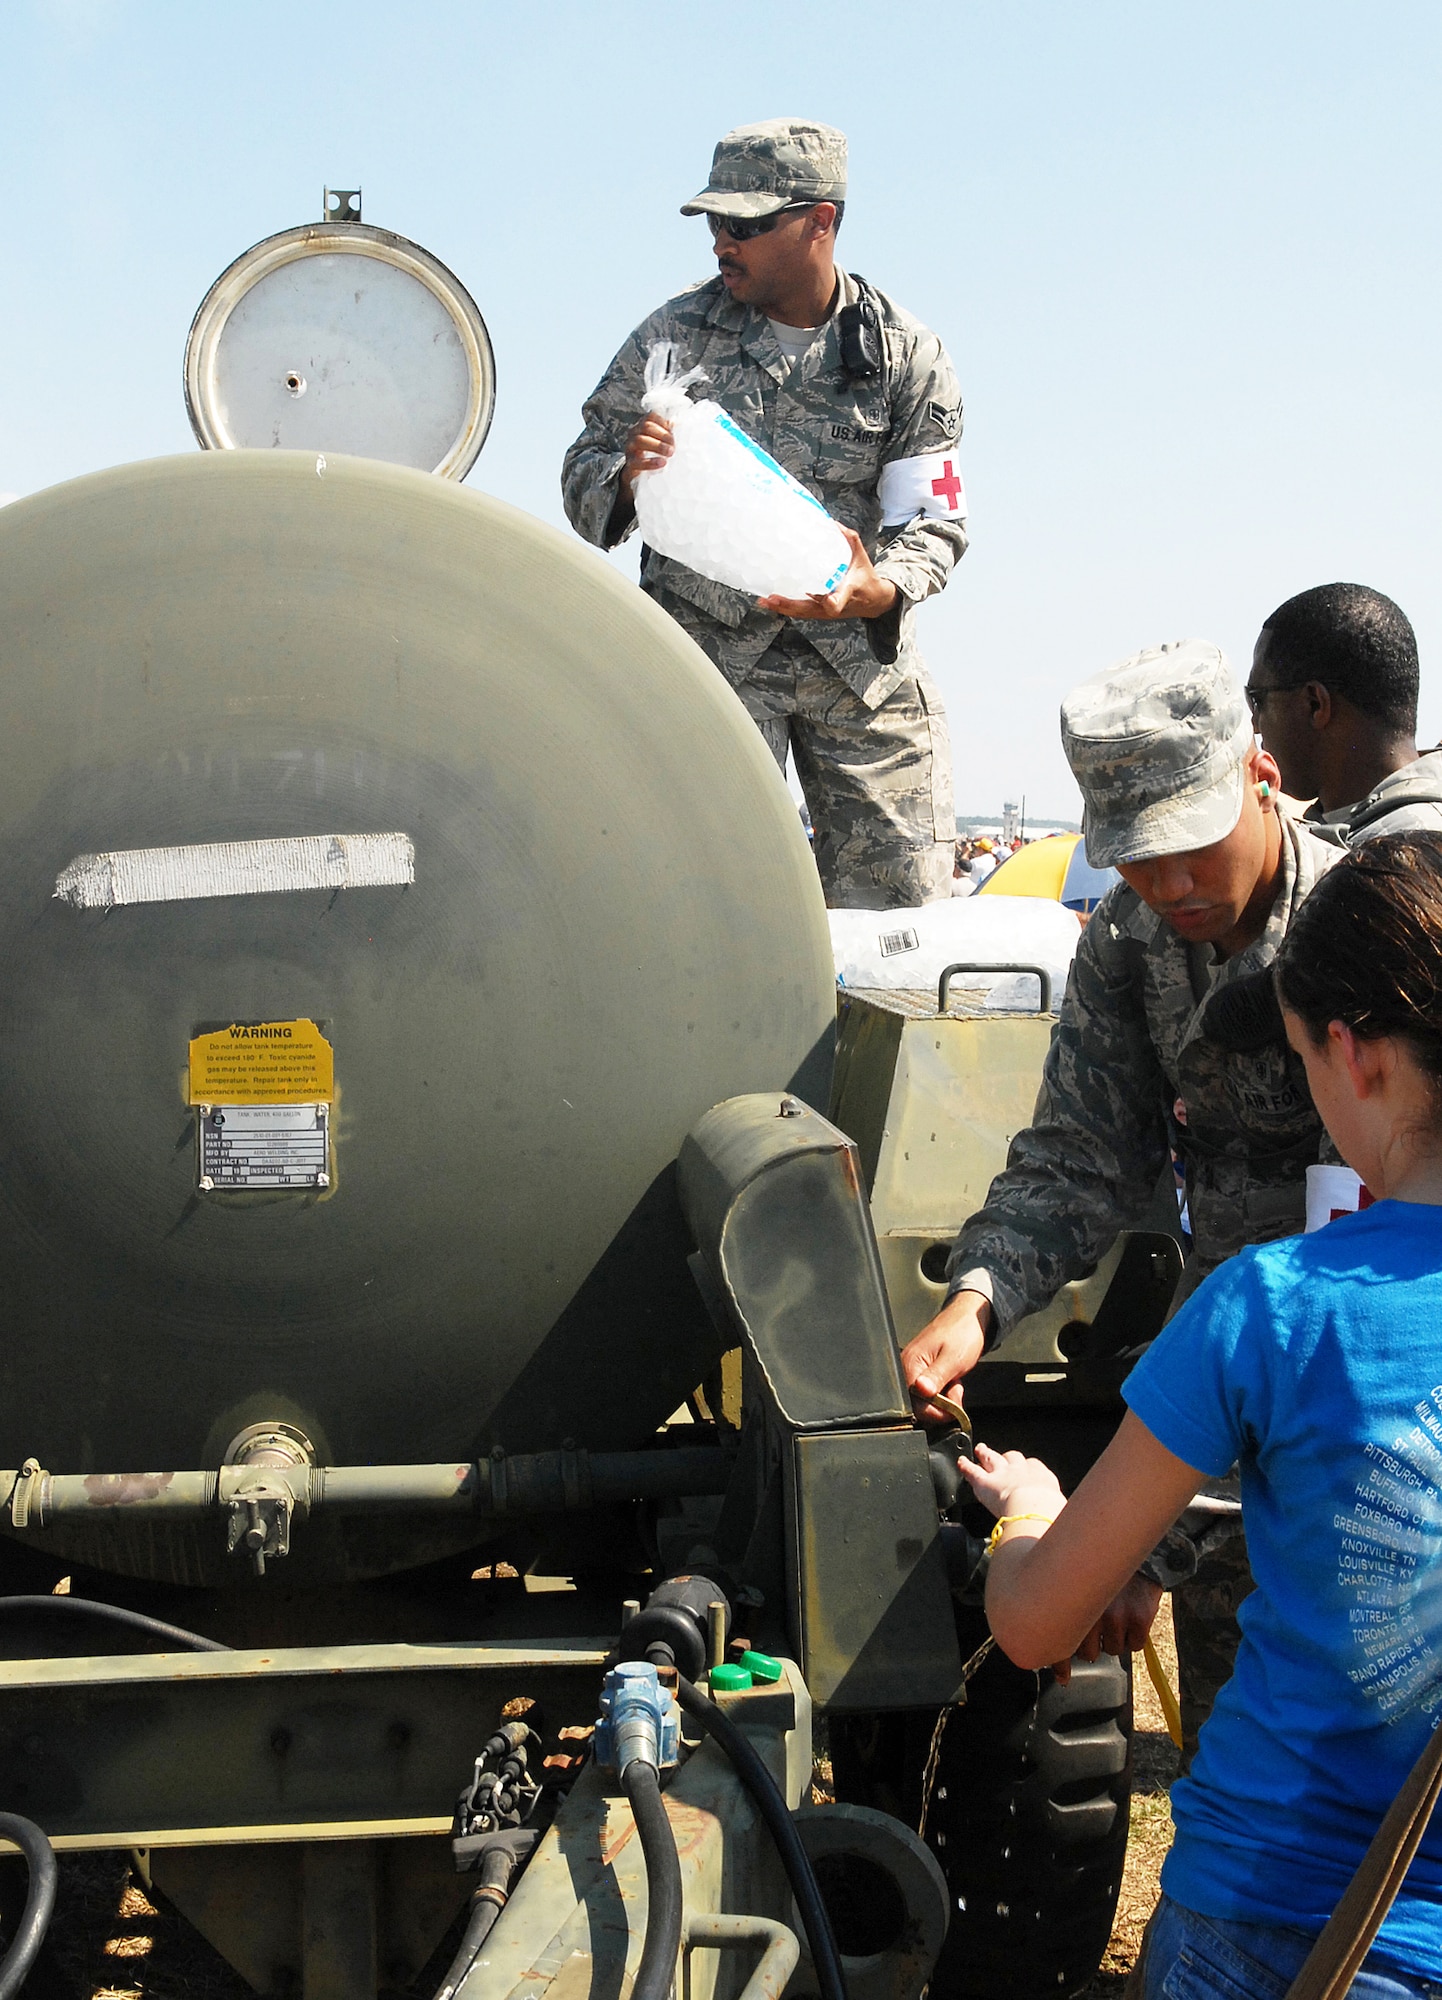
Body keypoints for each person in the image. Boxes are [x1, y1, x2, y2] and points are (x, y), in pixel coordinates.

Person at [960, 833, 1442, 1996]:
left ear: (1349, 1054)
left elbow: (1034, 1624)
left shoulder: (1269, 1309)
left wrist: (1026, 1512)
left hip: (1270, 1921)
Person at [901, 638, 1339, 1758]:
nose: (1170, 886)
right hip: (1217, 1375)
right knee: (1233, 1752)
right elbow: (1078, 1155)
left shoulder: (1362, 931)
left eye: (1190, 848)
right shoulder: (1128, 942)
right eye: (1138, 860)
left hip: (1352, 1398)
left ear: (1260, 777)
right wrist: (978, 1298)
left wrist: (1136, 1540)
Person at [562, 118, 967, 909]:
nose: (722, 242)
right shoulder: (674, 335)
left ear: (821, 221)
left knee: (898, 929)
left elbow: (936, 520)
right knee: (688, 909)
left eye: (746, 224)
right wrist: (627, 477)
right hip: (706, 674)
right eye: (716, 222)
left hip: (860, 680)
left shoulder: (903, 353)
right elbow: (582, 471)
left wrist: (881, 589)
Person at [1247, 583, 1442, 844]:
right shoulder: (1356, 836)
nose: (1255, 725)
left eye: (1258, 700)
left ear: (1315, 704)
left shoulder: (1406, 851)